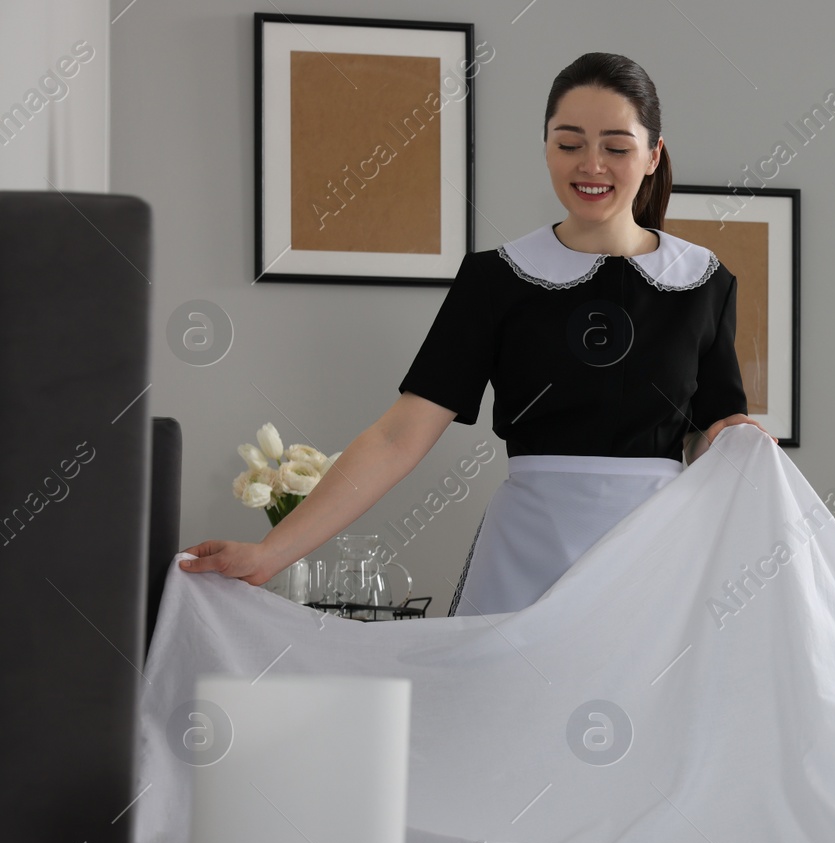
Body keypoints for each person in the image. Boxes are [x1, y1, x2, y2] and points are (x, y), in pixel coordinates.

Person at [180, 52, 774, 614]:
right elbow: (396, 438)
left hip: (657, 564)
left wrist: (742, 443)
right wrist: (269, 554)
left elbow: (712, 432)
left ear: (651, 155)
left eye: (615, 147)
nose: (591, 165)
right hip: (525, 556)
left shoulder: (703, 281)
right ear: (546, 149)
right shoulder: (496, 279)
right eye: (569, 144)